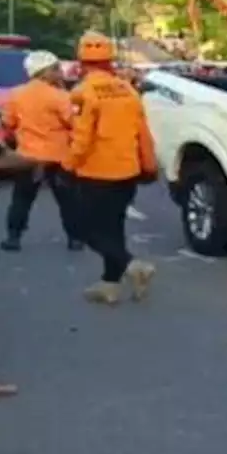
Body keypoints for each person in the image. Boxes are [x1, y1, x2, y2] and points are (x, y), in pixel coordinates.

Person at [62, 31, 157, 305]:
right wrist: (148, 166)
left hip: (95, 173)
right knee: (113, 228)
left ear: (81, 60)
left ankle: (132, 266)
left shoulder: (83, 93)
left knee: (83, 229)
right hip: (127, 172)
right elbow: (143, 133)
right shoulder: (127, 89)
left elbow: (82, 139)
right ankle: (109, 284)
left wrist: (68, 166)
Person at [0, 50, 83, 252]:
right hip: (58, 157)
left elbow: (8, 123)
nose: (59, 72)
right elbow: (74, 123)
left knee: (21, 199)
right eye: (55, 69)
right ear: (43, 72)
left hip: (28, 157)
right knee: (68, 201)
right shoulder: (60, 96)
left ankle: (13, 238)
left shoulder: (16, 94)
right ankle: (75, 239)